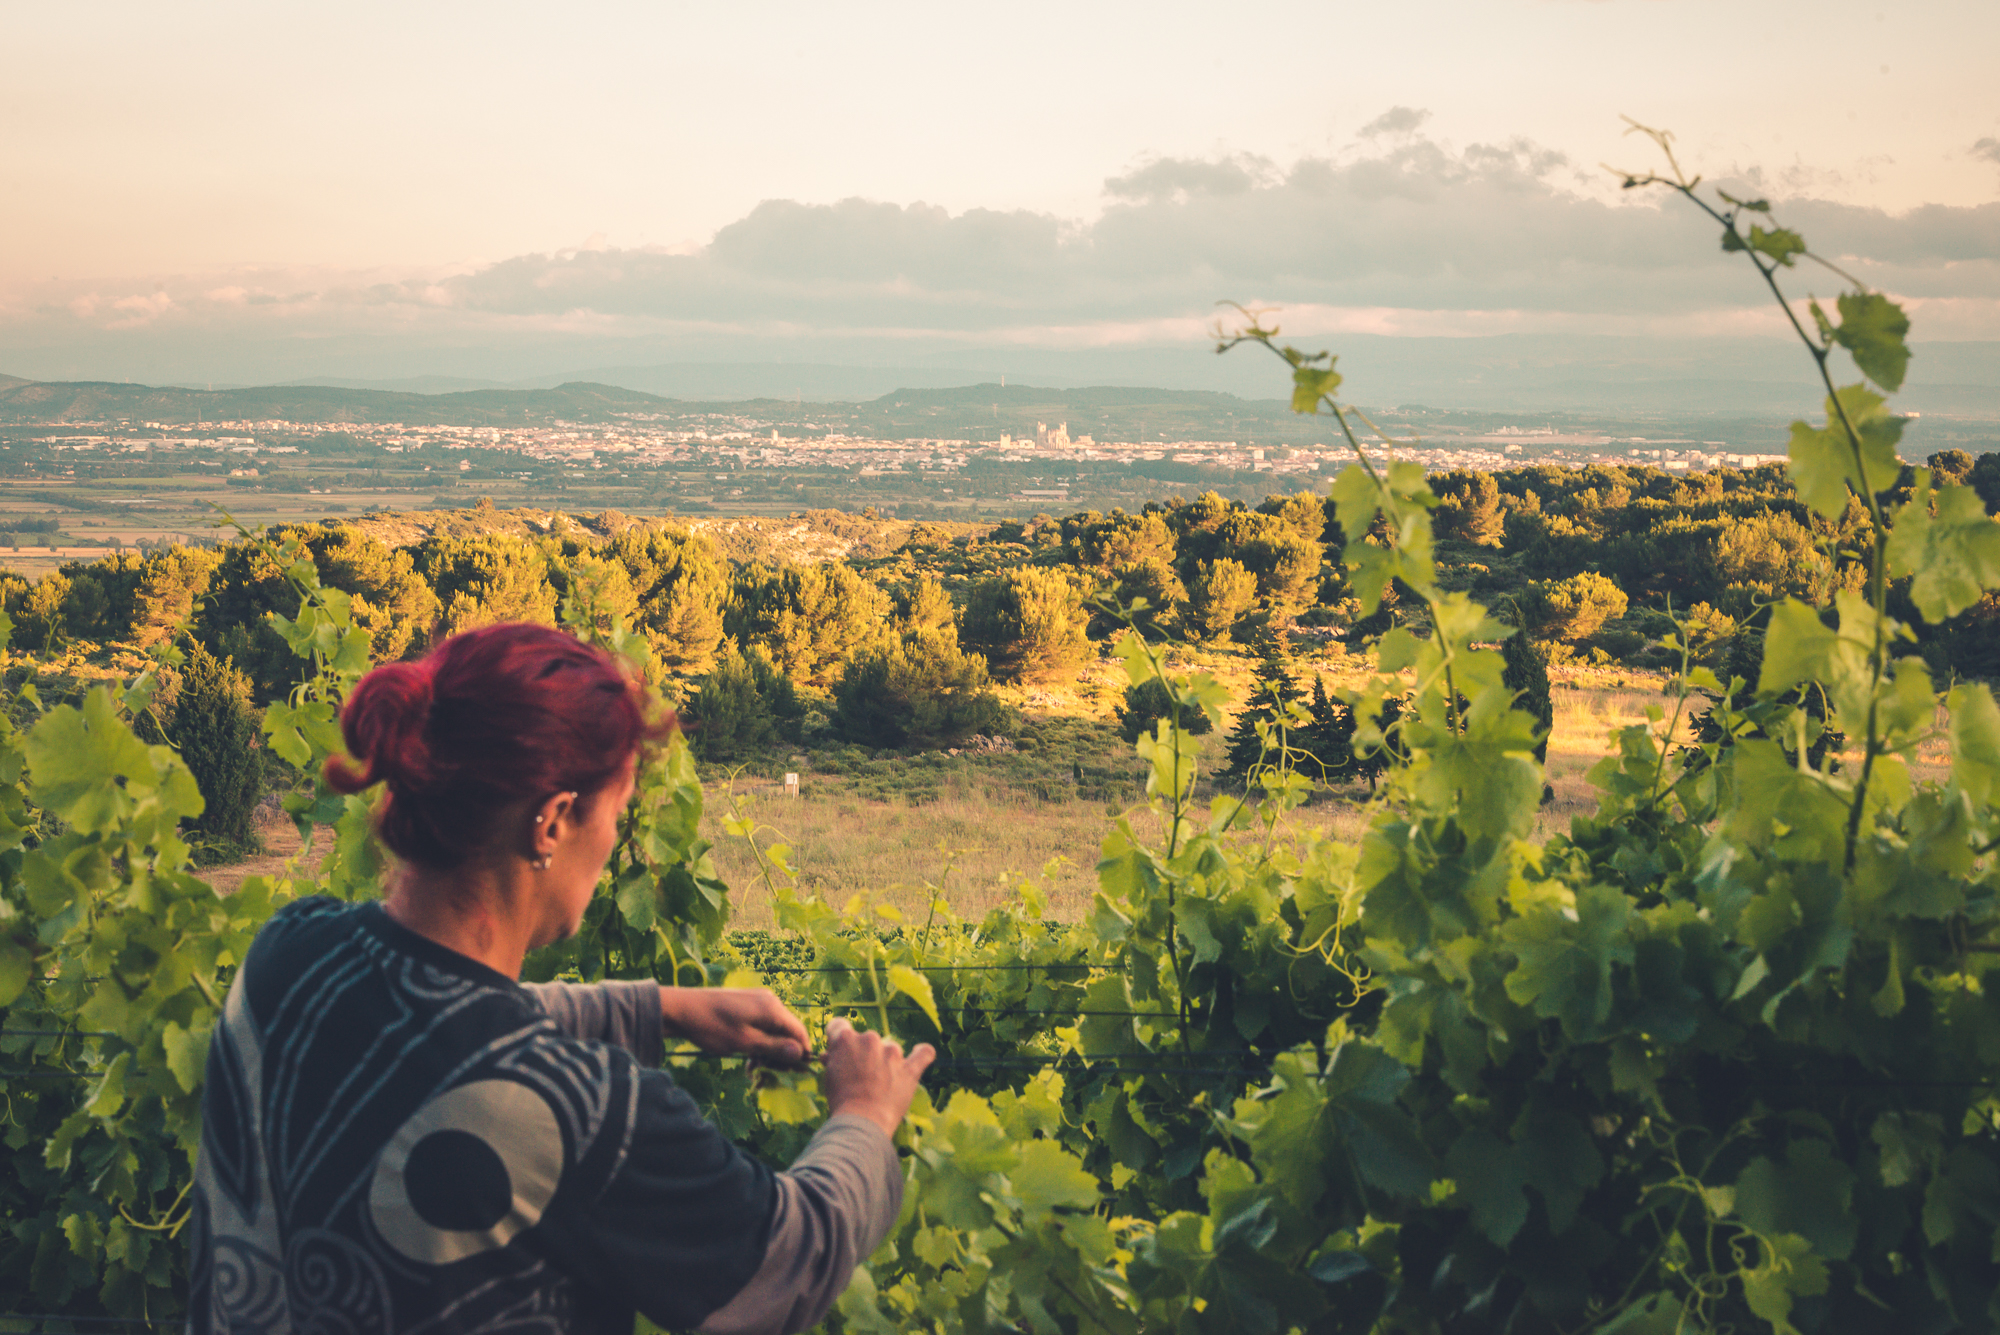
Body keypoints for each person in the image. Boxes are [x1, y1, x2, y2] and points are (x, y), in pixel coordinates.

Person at [186, 624, 933, 1335]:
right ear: (552, 821)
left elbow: (433, 1030)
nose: (615, 839)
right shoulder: (589, 1114)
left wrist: (658, 1008)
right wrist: (864, 1114)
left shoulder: (286, 957)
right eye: (619, 811)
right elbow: (782, 1262)